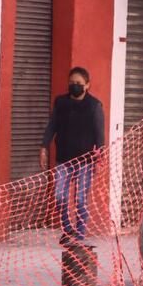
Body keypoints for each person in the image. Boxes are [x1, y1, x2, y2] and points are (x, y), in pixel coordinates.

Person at [41, 66, 105, 243]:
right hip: (63, 159)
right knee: (59, 197)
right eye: (71, 83)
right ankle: (68, 228)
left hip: (85, 161)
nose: (74, 86)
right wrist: (44, 146)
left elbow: (100, 135)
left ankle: (80, 234)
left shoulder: (94, 106)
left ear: (87, 85)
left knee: (80, 201)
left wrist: (99, 159)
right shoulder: (60, 102)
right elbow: (52, 125)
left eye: (78, 83)